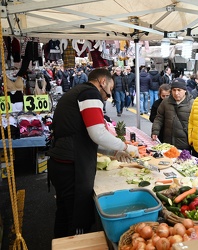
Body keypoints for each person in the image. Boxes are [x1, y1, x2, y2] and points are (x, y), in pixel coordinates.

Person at [47, 68, 139, 238]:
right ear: (102, 82)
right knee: (77, 219)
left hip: (61, 161)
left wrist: (113, 151)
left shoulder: (77, 92)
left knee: (65, 215)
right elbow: (97, 133)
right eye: (109, 91)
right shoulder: (90, 93)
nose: (108, 96)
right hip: (71, 166)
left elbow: (85, 135)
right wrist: (124, 147)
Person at [151, 78, 194, 150]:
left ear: (185, 90)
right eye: (174, 90)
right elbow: (159, 118)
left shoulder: (193, 103)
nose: (176, 93)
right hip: (168, 142)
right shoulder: (165, 102)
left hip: (184, 144)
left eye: (179, 90)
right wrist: (155, 131)